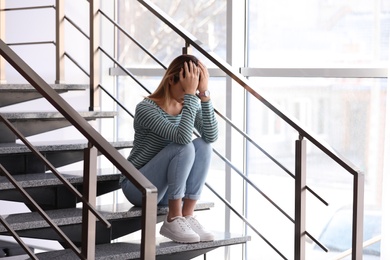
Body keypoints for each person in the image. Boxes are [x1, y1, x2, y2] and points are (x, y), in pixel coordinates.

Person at [120, 54, 218, 244]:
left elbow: (211, 136)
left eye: (193, 88)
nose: (188, 94)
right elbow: (182, 138)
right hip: (137, 186)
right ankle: (173, 217)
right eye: (185, 88)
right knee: (185, 146)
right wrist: (191, 97)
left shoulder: (187, 106)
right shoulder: (146, 108)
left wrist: (204, 95)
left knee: (203, 145)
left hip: (166, 191)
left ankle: (187, 214)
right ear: (171, 79)